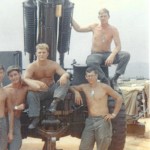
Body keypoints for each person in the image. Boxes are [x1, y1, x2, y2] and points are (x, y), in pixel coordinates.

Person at [72, 8, 130, 91]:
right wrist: (70, 17)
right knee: (90, 61)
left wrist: (112, 55)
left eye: (105, 16)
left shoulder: (113, 29)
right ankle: (105, 80)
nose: (103, 18)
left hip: (107, 54)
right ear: (98, 17)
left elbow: (118, 46)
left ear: (108, 17)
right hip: (95, 55)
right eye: (101, 16)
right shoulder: (94, 26)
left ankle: (115, 79)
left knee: (126, 55)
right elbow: (78, 28)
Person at [70, 66, 123, 150]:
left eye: (92, 75)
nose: (90, 78)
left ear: (96, 76)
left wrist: (113, 114)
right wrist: (76, 92)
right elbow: (71, 87)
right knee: (84, 147)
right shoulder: (84, 87)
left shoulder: (104, 87)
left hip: (102, 120)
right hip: (90, 120)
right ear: (85, 77)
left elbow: (119, 98)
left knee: (102, 146)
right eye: (88, 76)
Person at [24, 43, 70, 129]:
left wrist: (64, 76)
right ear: (36, 53)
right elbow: (25, 79)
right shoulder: (32, 66)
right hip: (40, 91)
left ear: (47, 54)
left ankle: (55, 102)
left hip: (52, 89)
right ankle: (35, 118)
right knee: (31, 94)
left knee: (66, 81)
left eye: (44, 52)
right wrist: (38, 83)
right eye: (40, 52)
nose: (41, 54)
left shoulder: (53, 64)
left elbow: (65, 73)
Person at [5, 65, 45, 150]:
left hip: (16, 120)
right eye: (11, 76)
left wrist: (24, 79)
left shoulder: (25, 88)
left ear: (20, 74)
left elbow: (38, 87)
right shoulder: (6, 89)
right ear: (8, 77)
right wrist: (16, 108)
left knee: (15, 145)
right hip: (6, 119)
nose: (13, 77)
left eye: (15, 74)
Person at [0, 65, 14, 150]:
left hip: (2, 122)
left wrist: (11, 132)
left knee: (3, 147)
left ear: (3, 74)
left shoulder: (6, 91)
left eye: (0, 72)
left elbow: (10, 111)